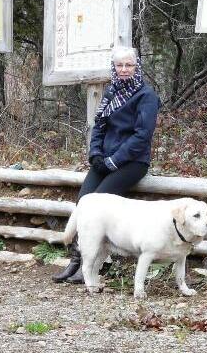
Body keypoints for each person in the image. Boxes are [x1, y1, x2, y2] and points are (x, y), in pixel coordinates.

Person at [52, 46, 160, 283]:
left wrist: (115, 160)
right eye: (119, 65)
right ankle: (76, 261)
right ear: (114, 67)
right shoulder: (111, 92)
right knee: (83, 203)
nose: (124, 69)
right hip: (106, 159)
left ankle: (93, 266)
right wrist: (96, 155)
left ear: (136, 67)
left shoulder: (146, 96)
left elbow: (142, 136)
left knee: (97, 208)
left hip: (132, 162)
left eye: (129, 65)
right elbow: (99, 126)